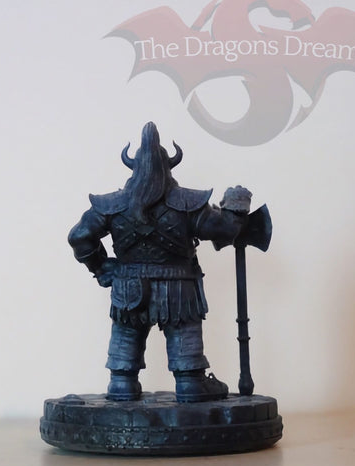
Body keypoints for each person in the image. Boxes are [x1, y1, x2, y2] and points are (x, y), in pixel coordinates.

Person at [68, 122, 251, 402]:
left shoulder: (113, 205)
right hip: (179, 289)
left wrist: (102, 267)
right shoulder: (188, 203)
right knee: (185, 349)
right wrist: (236, 205)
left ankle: (122, 383)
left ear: (133, 167)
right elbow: (225, 230)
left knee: (125, 349)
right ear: (169, 166)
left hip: (128, 287)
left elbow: (79, 236)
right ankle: (190, 383)